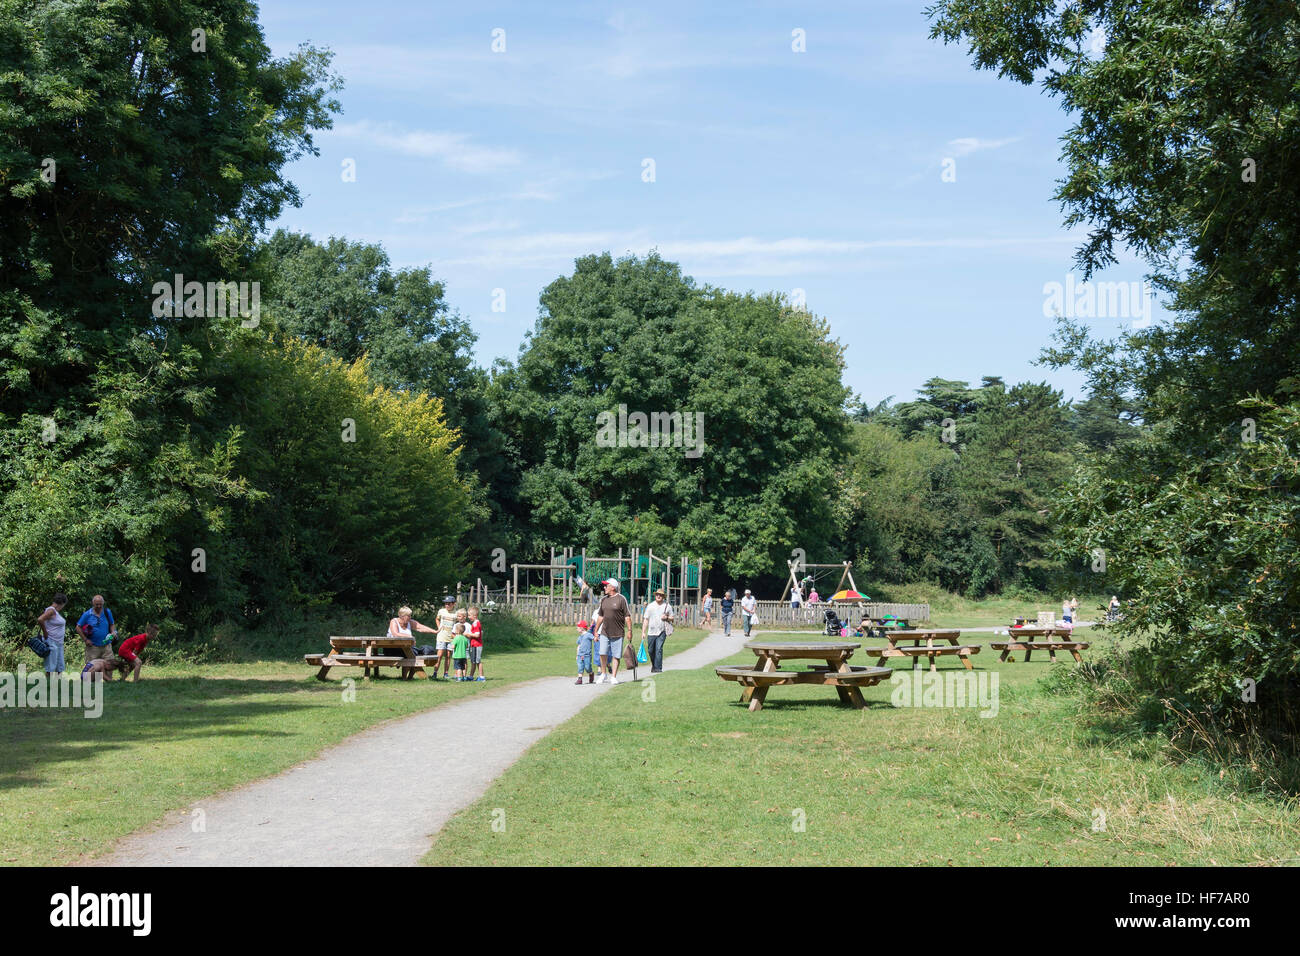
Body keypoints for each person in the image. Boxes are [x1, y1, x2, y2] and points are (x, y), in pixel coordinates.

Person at [591, 578, 630, 684]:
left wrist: (630, 630)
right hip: (604, 632)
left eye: (606, 586)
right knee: (602, 652)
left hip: (618, 632)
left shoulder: (621, 599)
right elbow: (600, 616)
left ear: (612, 587)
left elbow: (627, 616)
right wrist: (596, 630)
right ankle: (603, 674)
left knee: (616, 655)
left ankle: (613, 676)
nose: (604, 588)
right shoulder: (604, 600)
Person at [76, 595, 118, 667]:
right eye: (97, 604)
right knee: (93, 667)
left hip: (107, 645)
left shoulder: (107, 612)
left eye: (100, 604)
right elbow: (78, 627)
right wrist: (85, 639)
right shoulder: (87, 614)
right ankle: (95, 678)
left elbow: (112, 624)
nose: (99, 606)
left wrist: (113, 632)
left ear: (103, 603)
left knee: (110, 665)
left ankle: (109, 678)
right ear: (93, 604)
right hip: (93, 646)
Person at [642, 588, 674, 674]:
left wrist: (666, 618)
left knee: (659, 649)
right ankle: (654, 665)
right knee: (650, 650)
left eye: (660, 595)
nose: (658, 596)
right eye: (657, 594)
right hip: (651, 632)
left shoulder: (667, 606)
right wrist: (643, 632)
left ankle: (658, 668)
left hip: (662, 631)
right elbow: (646, 619)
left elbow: (672, 618)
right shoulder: (650, 606)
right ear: (655, 596)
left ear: (663, 596)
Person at [37, 593, 68, 677]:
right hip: (51, 641)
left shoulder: (55, 611)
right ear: (62, 603)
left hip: (59, 643)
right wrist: (45, 633)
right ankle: (47, 685)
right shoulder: (51, 610)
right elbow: (40, 619)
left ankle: (58, 685)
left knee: (60, 666)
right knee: (50, 667)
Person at [434, 596, 458, 679]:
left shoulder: (456, 613)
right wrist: (439, 627)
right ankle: (435, 673)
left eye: (449, 603)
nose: (447, 605)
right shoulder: (441, 611)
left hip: (451, 637)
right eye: (445, 603)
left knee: (448, 655)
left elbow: (458, 624)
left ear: (453, 604)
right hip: (441, 636)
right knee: (439, 655)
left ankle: (446, 673)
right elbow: (437, 619)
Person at [575, 619, 597, 685]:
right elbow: (578, 646)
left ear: (582, 628)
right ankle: (580, 679)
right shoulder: (579, 637)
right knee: (580, 667)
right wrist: (577, 655)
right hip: (580, 655)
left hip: (587, 655)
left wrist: (596, 638)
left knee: (587, 667)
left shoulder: (588, 635)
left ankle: (591, 673)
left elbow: (594, 638)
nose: (577, 629)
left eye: (577, 628)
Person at [467, 606, 485, 681]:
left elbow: (477, 635)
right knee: (473, 661)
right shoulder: (474, 623)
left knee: (478, 661)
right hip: (473, 644)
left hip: (477, 645)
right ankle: (471, 676)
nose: (468, 617)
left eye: (469, 615)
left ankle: (481, 677)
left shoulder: (476, 624)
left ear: (475, 616)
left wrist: (468, 634)